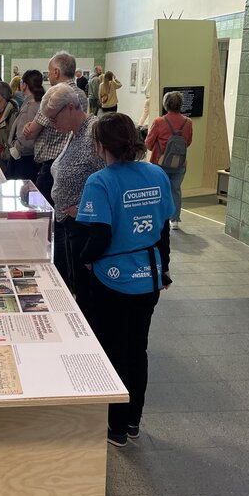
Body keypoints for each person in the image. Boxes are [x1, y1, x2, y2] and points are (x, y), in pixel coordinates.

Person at [76, 113, 174, 447]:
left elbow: (100, 235)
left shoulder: (100, 181)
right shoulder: (156, 174)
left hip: (112, 279)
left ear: (100, 145)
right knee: (137, 348)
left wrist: (84, 260)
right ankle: (132, 422)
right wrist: (164, 270)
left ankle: (115, 427)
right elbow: (163, 229)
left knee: (113, 349)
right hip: (148, 276)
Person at [21, 52, 87, 285]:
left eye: (49, 72)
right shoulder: (79, 97)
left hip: (53, 171)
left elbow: (32, 129)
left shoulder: (58, 96)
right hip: (57, 172)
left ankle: (57, 273)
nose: (48, 77)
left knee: (53, 225)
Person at [40, 83, 104, 317]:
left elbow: (111, 180)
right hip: (69, 224)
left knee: (86, 292)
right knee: (73, 284)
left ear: (70, 108)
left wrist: (88, 210)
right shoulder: (74, 132)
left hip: (84, 227)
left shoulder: (94, 132)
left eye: (53, 118)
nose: (51, 125)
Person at [145, 90, 193, 230]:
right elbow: (188, 142)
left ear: (165, 104)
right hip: (180, 163)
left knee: (158, 190)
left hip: (160, 163)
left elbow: (148, 143)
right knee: (175, 190)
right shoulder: (188, 122)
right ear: (181, 105)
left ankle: (159, 217)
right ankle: (175, 220)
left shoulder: (159, 121)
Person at [6, 69, 44, 182]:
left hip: (23, 159)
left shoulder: (30, 106)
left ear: (24, 85)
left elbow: (24, 136)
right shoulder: (40, 102)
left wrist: (15, 147)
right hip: (31, 158)